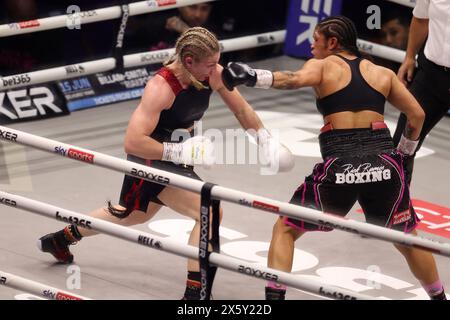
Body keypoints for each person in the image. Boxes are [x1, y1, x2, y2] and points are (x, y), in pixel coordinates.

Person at [37, 27, 294, 300]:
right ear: (188, 61)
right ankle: (195, 294)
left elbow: (241, 108)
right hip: (150, 156)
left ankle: (60, 238)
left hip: (175, 152)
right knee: (208, 210)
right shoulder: (161, 87)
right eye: (209, 64)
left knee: (133, 214)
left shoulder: (211, 72)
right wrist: (181, 153)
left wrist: (265, 140)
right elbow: (133, 142)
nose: (215, 69)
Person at [221, 16, 446, 300]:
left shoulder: (323, 66)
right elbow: (417, 116)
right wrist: (402, 156)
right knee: (406, 238)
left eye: (316, 39)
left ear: (333, 42)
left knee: (286, 228)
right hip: (384, 163)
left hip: (341, 163)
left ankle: (274, 301)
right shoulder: (382, 73)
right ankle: (439, 298)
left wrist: (252, 76)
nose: (311, 46)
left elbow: (292, 79)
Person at [393, 0, 450, 186]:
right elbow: (421, 18)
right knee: (402, 145)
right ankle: (396, 208)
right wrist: (410, 56)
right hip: (432, 74)